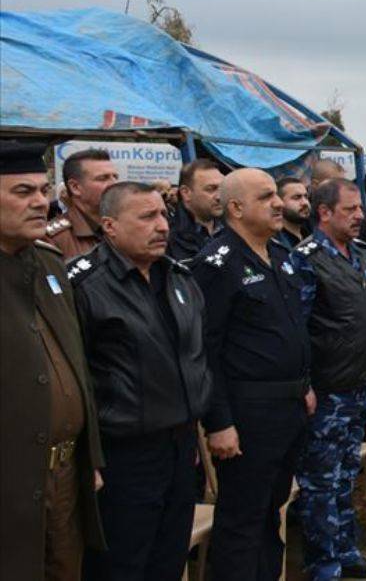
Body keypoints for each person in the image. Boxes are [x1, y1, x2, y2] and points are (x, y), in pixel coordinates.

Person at [67, 181, 210, 581]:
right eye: (147, 217)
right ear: (110, 226)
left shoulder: (179, 277)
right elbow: (74, 378)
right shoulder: (84, 285)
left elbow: (197, 357)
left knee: (168, 559)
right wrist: (88, 459)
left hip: (180, 447)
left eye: (163, 214)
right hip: (123, 455)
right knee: (123, 565)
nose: (162, 225)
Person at [192, 168, 315, 581]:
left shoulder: (278, 255)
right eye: (265, 197)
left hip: (288, 407)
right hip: (248, 415)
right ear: (236, 208)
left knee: (270, 511)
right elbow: (206, 349)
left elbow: (290, 328)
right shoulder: (217, 264)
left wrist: (304, 384)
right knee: (242, 520)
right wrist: (219, 422)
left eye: (276, 194)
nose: (278, 203)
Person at [0, 141, 105, 581]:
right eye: (23, 192)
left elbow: (76, 362)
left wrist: (89, 457)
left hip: (64, 475)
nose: (40, 202)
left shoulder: (50, 263)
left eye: (43, 191)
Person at [290, 179, 366, 578]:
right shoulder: (306, 259)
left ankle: (347, 553)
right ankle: (324, 564)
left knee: (347, 475)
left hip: (360, 385)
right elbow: (297, 329)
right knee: (321, 482)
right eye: (350, 209)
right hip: (327, 391)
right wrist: (305, 384)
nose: (359, 216)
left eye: (360, 208)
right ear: (324, 213)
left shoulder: (361, 253)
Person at [46, 149, 120, 258]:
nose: (114, 184)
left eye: (115, 177)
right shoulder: (53, 239)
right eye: (103, 178)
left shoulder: (123, 228)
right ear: (75, 187)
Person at [167, 158, 224, 263]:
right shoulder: (167, 237)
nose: (219, 196)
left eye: (222, 188)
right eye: (211, 189)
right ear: (186, 193)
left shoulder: (234, 229)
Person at [275, 177, 311, 251]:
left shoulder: (311, 231)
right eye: (296, 198)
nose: (305, 202)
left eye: (306, 197)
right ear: (279, 202)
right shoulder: (276, 243)